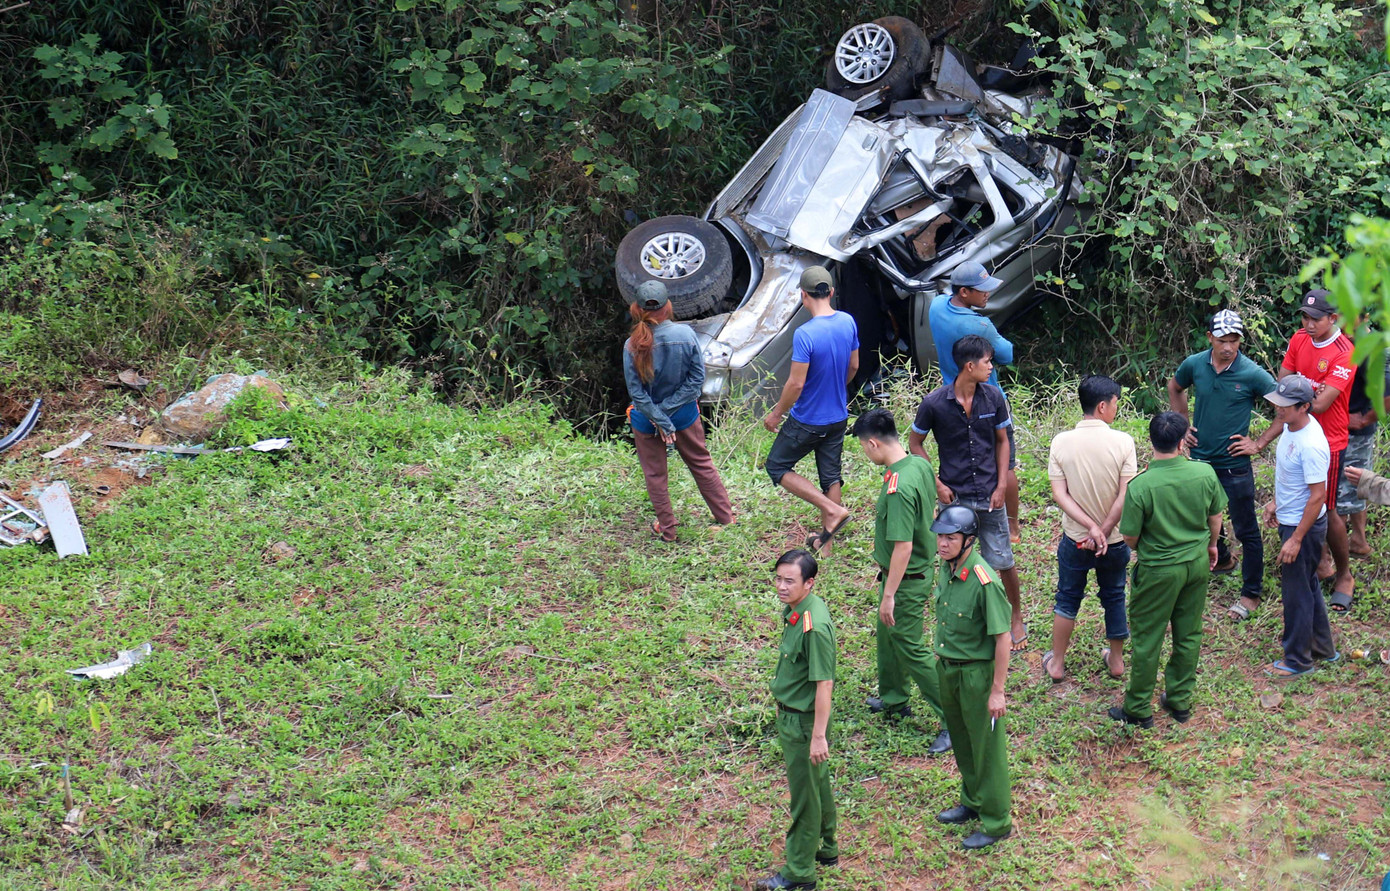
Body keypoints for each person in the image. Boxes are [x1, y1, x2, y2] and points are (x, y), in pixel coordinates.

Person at [909, 335, 1028, 651]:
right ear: (969, 365)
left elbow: (1003, 442)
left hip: (990, 493)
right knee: (954, 560)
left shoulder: (993, 398)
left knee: (1002, 559)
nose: (991, 366)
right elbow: (915, 444)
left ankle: (1015, 616)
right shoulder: (934, 404)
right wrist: (937, 484)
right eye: (987, 362)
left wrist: (1002, 484)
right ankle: (963, 621)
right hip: (955, 496)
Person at [1111, 412, 1226, 728]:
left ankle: (1138, 708)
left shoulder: (1142, 484)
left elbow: (1130, 537)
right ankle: (1179, 701)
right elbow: (1215, 515)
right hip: (1197, 563)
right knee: (1189, 633)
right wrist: (1212, 545)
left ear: (1151, 441)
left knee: (1149, 638)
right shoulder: (1204, 473)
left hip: (1159, 568)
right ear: (1181, 442)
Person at [852, 408, 951, 754]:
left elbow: (903, 546)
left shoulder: (898, 487)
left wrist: (889, 594)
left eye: (865, 447)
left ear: (875, 443)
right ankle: (894, 699)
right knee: (888, 637)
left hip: (906, 578)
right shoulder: (917, 464)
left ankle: (952, 719)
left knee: (910, 646)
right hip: (909, 573)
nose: (866, 453)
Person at [1166, 310, 1277, 620]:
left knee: (1246, 527)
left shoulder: (1251, 372)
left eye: (1235, 340)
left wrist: (1259, 443)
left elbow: (1285, 407)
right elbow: (1175, 387)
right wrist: (1182, 424)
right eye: (1223, 340)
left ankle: (1250, 592)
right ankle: (1224, 560)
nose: (1229, 347)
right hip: (1201, 461)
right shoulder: (1195, 364)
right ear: (1210, 338)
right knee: (1203, 517)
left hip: (1234, 464)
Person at [622, 280, 735, 542]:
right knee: (701, 464)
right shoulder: (686, 336)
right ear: (668, 306)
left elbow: (637, 394)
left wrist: (660, 418)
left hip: (646, 421)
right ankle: (726, 518)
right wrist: (669, 416)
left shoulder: (631, 345)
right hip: (684, 416)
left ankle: (668, 530)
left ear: (637, 309)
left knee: (655, 474)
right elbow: (696, 382)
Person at [1043, 375, 1137, 683]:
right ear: (1101, 405)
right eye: (1115, 403)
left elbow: (1060, 495)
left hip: (1076, 539)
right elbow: (1126, 493)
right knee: (1113, 595)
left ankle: (1056, 663)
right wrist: (1105, 528)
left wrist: (1089, 528)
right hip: (1115, 540)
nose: (1116, 409)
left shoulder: (1061, 442)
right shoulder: (1123, 441)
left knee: (1067, 597)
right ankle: (1117, 661)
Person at [929, 504, 1013, 850]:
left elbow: (1002, 637)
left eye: (951, 538)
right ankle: (973, 801)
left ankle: (996, 822)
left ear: (969, 541)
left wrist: (997, 690)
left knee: (986, 749)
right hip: (949, 670)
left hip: (977, 675)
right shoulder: (949, 570)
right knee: (962, 741)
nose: (943, 543)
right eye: (940, 536)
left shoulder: (984, 580)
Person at [756, 549, 838, 891]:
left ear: (809, 583)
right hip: (798, 718)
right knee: (817, 784)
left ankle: (799, 872)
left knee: (803, 797)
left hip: (803, 723)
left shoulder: (813, 625)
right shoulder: (797, 610)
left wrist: (818, 735)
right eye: (778, 578)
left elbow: (824, 683)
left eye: (790, 581)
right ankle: (827, 846)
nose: (781, 586)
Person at [763, 266, 859, 553]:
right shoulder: (847, 321)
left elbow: (795, 383)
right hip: (838, 415)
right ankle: (826, 546)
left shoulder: (805, 334)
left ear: (803, 296)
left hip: (807, 420)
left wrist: (777, 413)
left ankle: (831, 509)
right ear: (830, 292)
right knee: (830, 475)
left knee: (776, 466)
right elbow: (853, 366)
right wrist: (837, 388)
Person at [1273, 289, 1356, 612]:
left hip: (1328, 440)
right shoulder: (1298, 339)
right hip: (1295, 429)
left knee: (1328, 507)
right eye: (1304, 317)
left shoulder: (1344, 351)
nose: (1308, 324)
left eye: (1315, 319)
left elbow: (1321, 403)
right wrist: (1311, 385)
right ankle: (1319, 561)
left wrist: (1303, 385)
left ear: (1333, 319)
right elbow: (1284, 383)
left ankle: (1344, 575)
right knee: (1295, 491)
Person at [929, 261, 1022, 543]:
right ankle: (1013, 527)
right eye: (982, 291)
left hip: (953, 397)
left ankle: (963, 522)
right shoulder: (978, 324)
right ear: (965, 292)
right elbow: (1006, 354)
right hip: (988, 399)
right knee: (1005, 464)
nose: (987, 295)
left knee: (963, 458)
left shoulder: (936, 306)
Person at [1261, 375, 1338, 678]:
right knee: (1307, 587)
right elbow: (1294, 482)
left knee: (1296, 594)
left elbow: (1318, 497)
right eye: (1277, 403)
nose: (1278, 409)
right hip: (1291, 518)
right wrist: (1276, 502)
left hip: (1301, 529)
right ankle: (1322, 647)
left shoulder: (1312, 445)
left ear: (1305, 406)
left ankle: (1297, 660)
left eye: (1285, 406)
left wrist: (1295, 539)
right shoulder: (1291, 427)